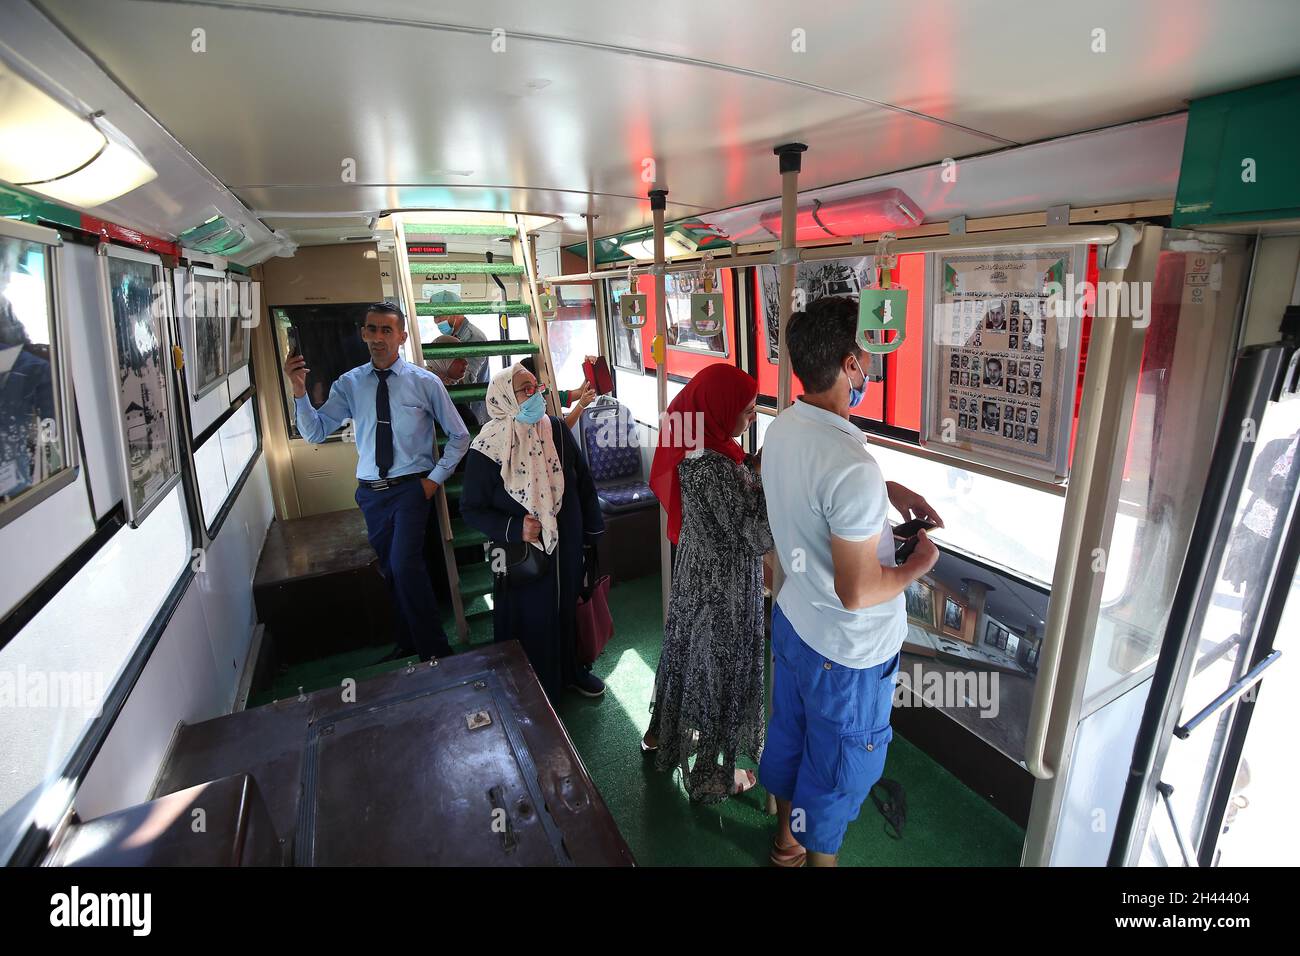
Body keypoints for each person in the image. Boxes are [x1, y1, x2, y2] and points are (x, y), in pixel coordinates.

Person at [758, 296, 943, 867]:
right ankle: (813, 857)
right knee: (835, 773)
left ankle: (785, 845)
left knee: (791, 736)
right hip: (847, 653)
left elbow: (822, 486)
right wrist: (920, 563)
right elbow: (859, 591)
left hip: (793, 623)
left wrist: (891, 491)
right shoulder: (851, 466)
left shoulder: (784, 428)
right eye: (866, 355)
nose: (871, 366)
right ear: (849, 364)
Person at [284, 302, 469, 661]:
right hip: (370, 494)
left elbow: (460, 436)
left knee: (405, 565)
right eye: (372, 329)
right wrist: (299, 392)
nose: (379, 338)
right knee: (391, 570)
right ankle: (408, 642)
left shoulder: (425, 383)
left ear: (401, 336)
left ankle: (437, 652)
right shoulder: (350, 384)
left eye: (387, 330)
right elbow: (317, 433)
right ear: (363, 334)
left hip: (411, 490)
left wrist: (433, 481)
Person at [641, 363, 771, 802]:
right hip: (725, 588)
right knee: (721, 672)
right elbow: (754, 535)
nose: (751, 416)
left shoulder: (701, 446)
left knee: (683, 656)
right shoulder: (713, 464)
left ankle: (662, 735)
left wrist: (752, 468)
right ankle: (713, 777)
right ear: (719, 409)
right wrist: (773, 482)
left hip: (696, 574)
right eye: (747, 409)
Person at [459, 362, 606, 699]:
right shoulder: (487, 446)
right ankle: (531, 688)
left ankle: (571, 672)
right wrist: (513, 527)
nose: (535, 394)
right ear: (505, 397)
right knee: (529, 619)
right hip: (516, 551)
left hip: (565, 543)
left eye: (536, 387)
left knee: (566, 609)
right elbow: (471, 508)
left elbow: (582, 481)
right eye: (525, 389)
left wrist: (592, 533)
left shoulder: (554, 429)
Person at [520, 354, 597, 430]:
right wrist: (581, 405)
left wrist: (589, 367)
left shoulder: (552, 396)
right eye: (546, 372)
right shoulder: (528, 412)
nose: (549, 376)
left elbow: (580, 392)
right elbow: (563, 429)